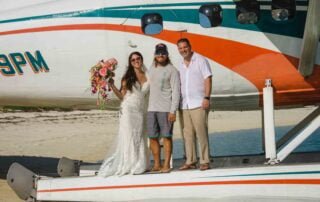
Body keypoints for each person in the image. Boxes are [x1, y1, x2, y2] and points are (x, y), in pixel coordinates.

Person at [98, 51, 150, 177]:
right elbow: (122, 96)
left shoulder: (148, 75)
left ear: (142, 59)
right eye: (133, 60)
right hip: (128, 109)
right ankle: (129, 164)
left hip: (140, 110)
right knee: (129, 137)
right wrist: (112, 85)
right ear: (130, 63)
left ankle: (140, 163)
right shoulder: (128, 77)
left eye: (138, 58)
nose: (136, 61)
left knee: (139, 136)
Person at [176, 38, 212, 171]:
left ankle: (205, 160)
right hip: (185, 104)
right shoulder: (180, 64)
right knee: (188, 134)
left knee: (201, 132)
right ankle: (190, 160)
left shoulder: (200, 60)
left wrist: (207, 97)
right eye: (180, 48)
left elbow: (207, 78)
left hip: (199, 102)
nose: (183, 50)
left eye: (185, 47)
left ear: (190, 47)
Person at [147, 43, 180, 173]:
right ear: (155, 55)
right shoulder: (151, 68)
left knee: (167, 136)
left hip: (166, 109)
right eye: (158, 53)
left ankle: (166, 164)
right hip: (151, 108)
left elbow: (176, 91)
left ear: (167, 55)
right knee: (152, 137)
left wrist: (173, 110)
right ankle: (157, 164)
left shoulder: (172, 70)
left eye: (163, 53)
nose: (161, 55)